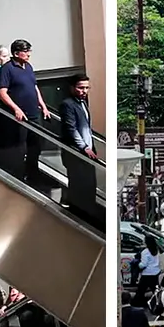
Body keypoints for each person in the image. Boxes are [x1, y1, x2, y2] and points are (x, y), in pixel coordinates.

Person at [0, 39, 50, 181]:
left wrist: (43, 105)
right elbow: (2, 92)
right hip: (20, 116)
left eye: (29, 51)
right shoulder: (7, 68)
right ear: (16, 53)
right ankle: (18, 176)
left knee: (37, 144)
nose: (28, 54)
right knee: (19, 147)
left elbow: (34, 87)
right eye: (25, 51)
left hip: (34, 113)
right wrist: (16, 109)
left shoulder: (29, 67)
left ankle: (33, 173)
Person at [59, 73, 99, 223]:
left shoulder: (83, 103)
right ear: (72, 87)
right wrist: (84, 147)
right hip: (76, 153)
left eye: (87, 88)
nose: (84, 91)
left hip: (87, 152)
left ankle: (88, 215)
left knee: (89, 186)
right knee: (79, 187)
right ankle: (80, 217)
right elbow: (71, 128)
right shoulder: (67, 104)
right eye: (81, 88)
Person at [135, 234, 162, 308]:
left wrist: (138, 264)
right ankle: (159, 303)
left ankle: (138, 304)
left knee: (141, 291)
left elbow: (143, 264)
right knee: (155, 290)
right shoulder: (156, 250)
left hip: (147, 273)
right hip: (155, 272)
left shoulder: (145, 252)